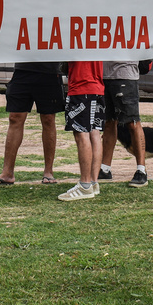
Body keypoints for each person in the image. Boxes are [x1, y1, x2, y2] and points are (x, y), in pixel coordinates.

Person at [0, 62, 62, 185]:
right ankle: (7, 173)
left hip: (49, 71)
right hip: (23, 70)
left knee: (48, 118)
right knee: (15, 117)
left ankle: (48, 172)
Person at [57, 61, 104, 201]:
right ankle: (93, 182)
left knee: (81, 133)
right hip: (96, 87)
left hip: (82, 84)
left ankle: (85, 184)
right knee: (94, 132)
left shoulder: (78, 38)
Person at [98, 61, 148, 187]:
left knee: (132, 122)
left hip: (126, 74)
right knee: (109, 122)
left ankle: (141, 170)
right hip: (103, 75)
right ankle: (105, 169)